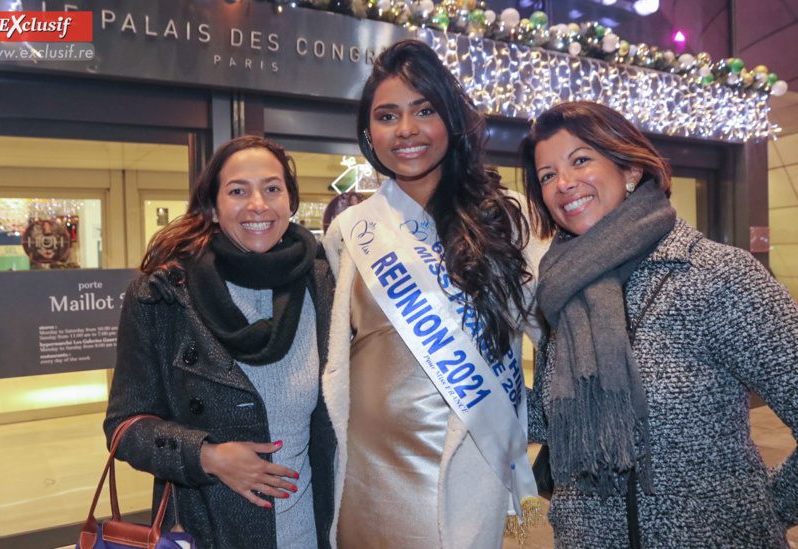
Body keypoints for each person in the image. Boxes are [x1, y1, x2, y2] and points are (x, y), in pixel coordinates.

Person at [521, 101, 798, 548]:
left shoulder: (716, 274)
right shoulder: (560, 289)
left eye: (580, 160)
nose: (564, 183)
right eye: (547, 175)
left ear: (630, 169)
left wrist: (762, 512)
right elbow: (548, 418)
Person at [322, 39, 548, 549]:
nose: (406, 129)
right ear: (368, 133)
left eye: (424, 110)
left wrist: (531, 418)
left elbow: (556, 336)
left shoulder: (507, 219)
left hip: (469, 466)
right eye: (387, 116)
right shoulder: (350, 230)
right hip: (368, 472)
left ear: (451, 119)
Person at [105, 136, 336, 549]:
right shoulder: (163, 294)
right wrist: (206, 456)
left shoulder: (320, 284)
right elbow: (123, 427)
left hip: (309, 533)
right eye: (238, 191)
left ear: (290, 201)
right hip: (207, 530)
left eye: (272, 188)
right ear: (212, 207)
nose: (258, 205)